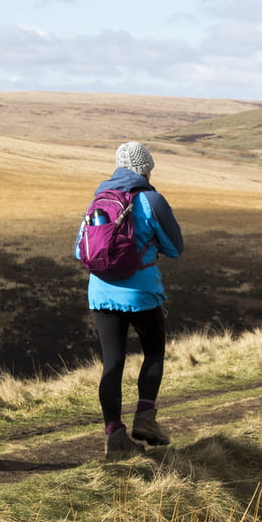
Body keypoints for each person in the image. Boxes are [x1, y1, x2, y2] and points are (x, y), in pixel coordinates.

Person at [77, 141, 183, 458]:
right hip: (141, 293)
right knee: (153, 353)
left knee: (112, 363)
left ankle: (114, 437)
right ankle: (145, 420)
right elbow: (175, 248)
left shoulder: (99, 200)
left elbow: (80, 251)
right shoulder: (151, 199)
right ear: (146, 169)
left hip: (101, 292)